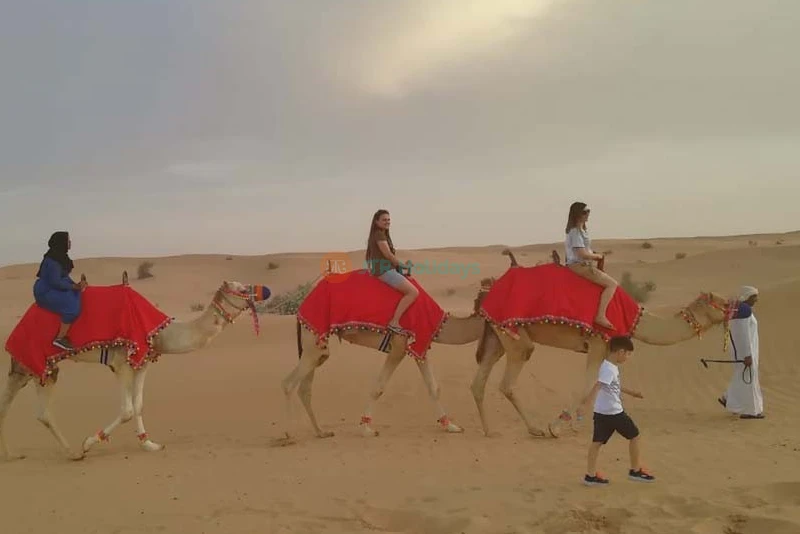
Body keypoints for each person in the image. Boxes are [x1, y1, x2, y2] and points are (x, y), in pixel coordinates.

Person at [577, 335, 655, 486]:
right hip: (614, 413)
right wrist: (584, 405)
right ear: (620, 352)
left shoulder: (608, 366)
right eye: (627, 354)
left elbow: (612, 385)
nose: (627, 357)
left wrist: (632, 393)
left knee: (597, 442)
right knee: (634, 435)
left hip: (601, 412)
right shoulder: (609, 369)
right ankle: (635, 470)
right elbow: (598, 385)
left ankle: (590, 476)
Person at [564, 201, 618, 330]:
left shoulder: (581, 231)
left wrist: (593, 254)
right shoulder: (575, 232)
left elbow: (585, 251)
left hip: (582, 264)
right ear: (577, 214)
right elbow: (581, 253)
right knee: (612, 284)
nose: (588, 214)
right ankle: (600, 316)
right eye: (584, 212)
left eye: (588, 211)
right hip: (579, 266)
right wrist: (598, 256)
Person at [365, 209, 418, 334]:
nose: (387, 222)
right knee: (413, 292)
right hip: (385, 271)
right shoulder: (379, 234)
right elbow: (388, 255)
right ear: (376, 222)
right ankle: (394, 322)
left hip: (386, 269)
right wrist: (403, 266)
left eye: (388, 220)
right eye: (384, 220)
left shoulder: (380, 234)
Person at [33, 231, 86, 350]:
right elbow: (55, 281)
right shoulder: (53, 261)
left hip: (53, 287)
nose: (70, 243)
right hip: (46, 291)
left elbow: (64, 278)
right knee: (72, 308)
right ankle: (60, 338)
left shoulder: (60, 257)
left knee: (77, 295)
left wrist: (76, 285)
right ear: (61, 243)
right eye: (67, 241)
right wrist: (74, 287)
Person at [717, 286, 763, 419]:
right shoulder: (743, 311)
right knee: (748, 378)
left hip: (746, 351)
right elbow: (743, 335)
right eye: (754, 296)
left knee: (743, 376)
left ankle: (728, 398)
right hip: (745, 352)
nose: (756, 299)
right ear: (747, 297)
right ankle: (750, 410)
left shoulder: (742, 311)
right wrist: (747, 354)